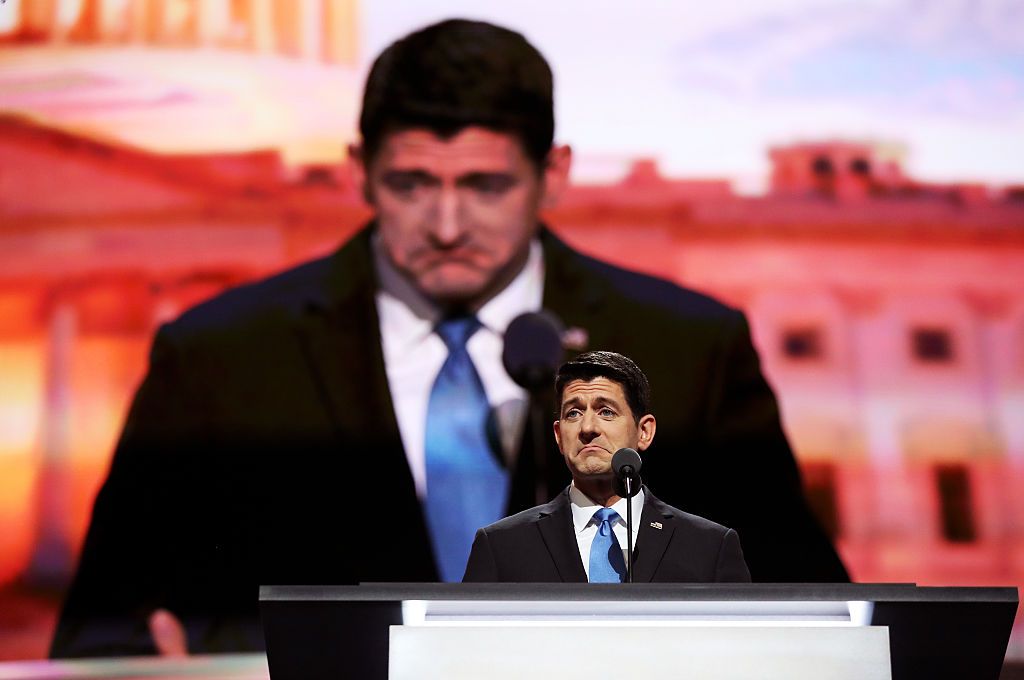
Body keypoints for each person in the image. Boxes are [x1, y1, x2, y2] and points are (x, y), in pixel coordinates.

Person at [51, 18, 846, 659]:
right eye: (411, 185)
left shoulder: (688, 350)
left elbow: (816, 621)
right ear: (361, 170)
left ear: (555, 173)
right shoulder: (218, 357)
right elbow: (102, 632)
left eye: (485, 185)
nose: (447, 224)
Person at [463, 352, 750, 583]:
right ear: (559, 436)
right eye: (573, 413)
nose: (588, 428)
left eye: (606, 412)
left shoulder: (708, 547)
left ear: (644, 432)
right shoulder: (501, 547)